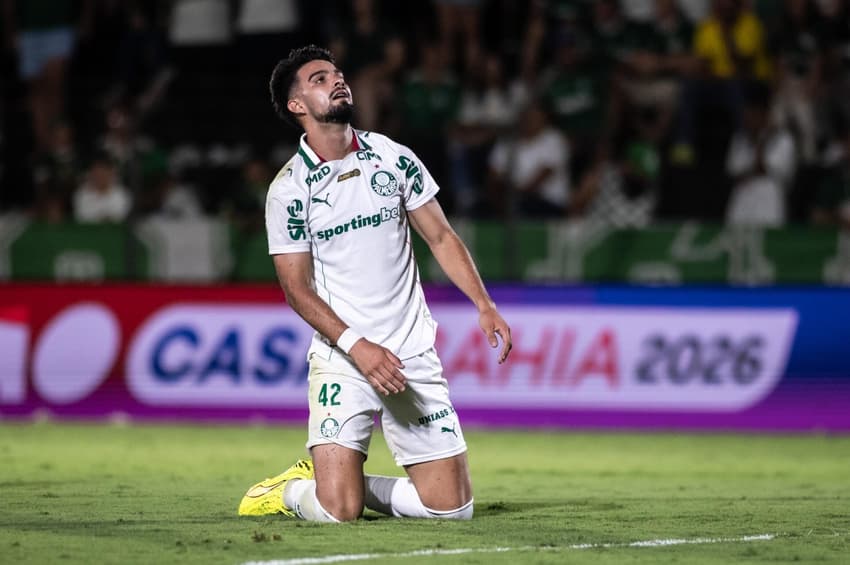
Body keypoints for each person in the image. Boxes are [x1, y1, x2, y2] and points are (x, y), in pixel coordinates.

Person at [237, 44, 512, 522]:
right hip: (344, 357)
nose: (337, 81)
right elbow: (296, 289)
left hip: (410, 354)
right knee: (337, 511)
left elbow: (442, 237)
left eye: (337, 74)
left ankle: (338, 481)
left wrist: (483, 304)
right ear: (297, 105)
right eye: (320, 79)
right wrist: (358, 346)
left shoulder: (392, 156)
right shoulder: (289, 190)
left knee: (452, 511)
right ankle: (292, 492)